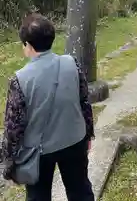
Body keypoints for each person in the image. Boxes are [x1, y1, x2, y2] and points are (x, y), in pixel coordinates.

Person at [1, 13, 95, 201]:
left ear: (28, 45)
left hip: (39, 151)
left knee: (38, 196)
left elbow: (13, 127)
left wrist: (8, 161)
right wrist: (88, 134)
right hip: (74, 139)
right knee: (80, 191)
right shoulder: (71, 63)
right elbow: (84, 101)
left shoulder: (20, 79)